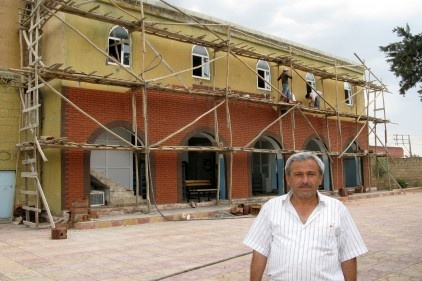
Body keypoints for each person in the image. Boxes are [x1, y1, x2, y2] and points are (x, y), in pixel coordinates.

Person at [243, 152, 367, 281]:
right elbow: (259, 252)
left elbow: (349, 254)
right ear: (288, 179)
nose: (305, 180)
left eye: (311, 174)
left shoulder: (338, 209)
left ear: (320, 178)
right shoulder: (271, 208)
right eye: (298, 174)